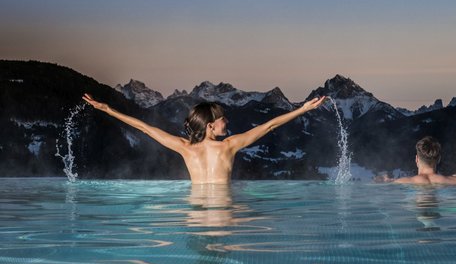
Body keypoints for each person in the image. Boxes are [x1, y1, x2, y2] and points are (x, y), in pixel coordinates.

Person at [82, 93, 326, 184]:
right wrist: (303, 109)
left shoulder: (186, 148)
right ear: (210, 126)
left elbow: (145, 128)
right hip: (225, 210)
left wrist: (107, 110)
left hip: (195, 213)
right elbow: (270, 125)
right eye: (222, 119)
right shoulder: (229, 146)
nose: (226, 121)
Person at [375, 136, 456, 185]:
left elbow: (381, 183)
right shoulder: (454, 180)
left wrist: (386, 179)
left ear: (416, 159)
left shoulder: (404, 181)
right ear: (439, 159)